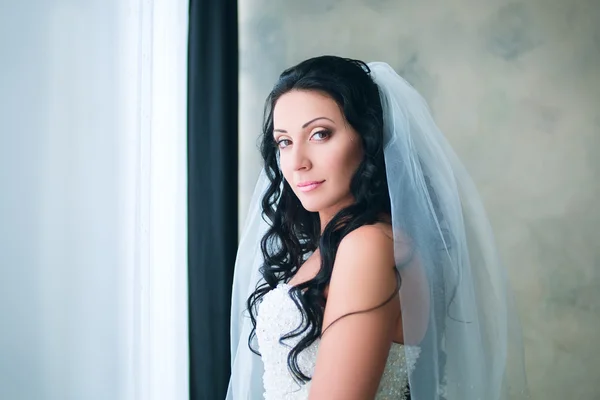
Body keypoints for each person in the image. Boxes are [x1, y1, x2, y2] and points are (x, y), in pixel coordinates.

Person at [226, 56, 528, 400]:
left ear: (368, 138)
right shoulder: (339, 246)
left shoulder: (369, 245)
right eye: (284, 142)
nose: (297, 162)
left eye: (320, 134)